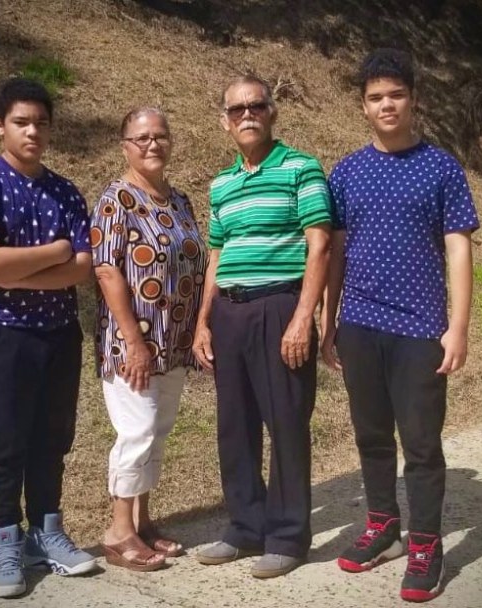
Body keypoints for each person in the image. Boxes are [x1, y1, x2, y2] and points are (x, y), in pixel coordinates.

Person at [321, 48, 480, 602]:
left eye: (395, 95)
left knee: (420, 442)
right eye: (375, 97)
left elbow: (458, 251)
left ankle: (426, 543)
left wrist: (457, 327)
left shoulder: (441, 168)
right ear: (363, 106)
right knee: (370, 436)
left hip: (420, 328)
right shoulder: (346, 171)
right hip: (359, 324)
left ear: (414, 99)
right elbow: (336, 253)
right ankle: (384, 525)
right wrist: (328, 323)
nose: (386, 104)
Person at [0, 77, 98, 597]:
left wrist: (20, 269)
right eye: (21, 122)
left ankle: (47, 534)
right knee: (5, 442)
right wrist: (55, 250)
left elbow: (81, 269)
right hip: (0, 334)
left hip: (58, 334)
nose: (32, 131)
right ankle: (4, 542)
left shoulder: (64, 191)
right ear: (0, 126)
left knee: (51, 440)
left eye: (40, 122)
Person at [193, 75, 331, 578]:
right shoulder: (222, 184)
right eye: (236, 109)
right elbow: (217, 254)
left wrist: (302, 318)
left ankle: (289, 536)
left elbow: (320, 245)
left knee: (287, 422)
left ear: (272, 112)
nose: (246, 115)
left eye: (255, 106)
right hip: (230, 312)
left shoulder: (301, 168)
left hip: (279, 308)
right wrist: (203, 322)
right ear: (224, 120)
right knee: (235, 424)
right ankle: (246, 527)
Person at [91, 107, 207, 571]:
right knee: (136, 431)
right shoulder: (115, 199)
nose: (152, 144)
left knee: (156, 433)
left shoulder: (179, 201)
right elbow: (105, 269)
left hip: (174, 341)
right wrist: (134, 341)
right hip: (133, 344)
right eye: (141, 138)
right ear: (125, 146)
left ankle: (141, 520)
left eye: (160, 135)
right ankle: (118, 532)